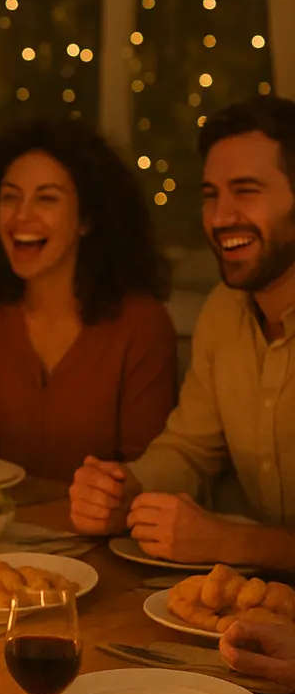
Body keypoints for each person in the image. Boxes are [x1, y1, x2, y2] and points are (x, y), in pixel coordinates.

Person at [70, 96, 295, 567]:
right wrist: (126, 489)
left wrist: (234, 543)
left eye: (246, 190)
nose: (219, 217)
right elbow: (190, 450)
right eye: (211, 194)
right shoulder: (224, 311)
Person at [0, 119, 176, 484]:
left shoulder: (142, 324)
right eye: (10, 197)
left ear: (86, 218)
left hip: (100, 537)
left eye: (47, 199)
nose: (21, 216)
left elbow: (149, 476)